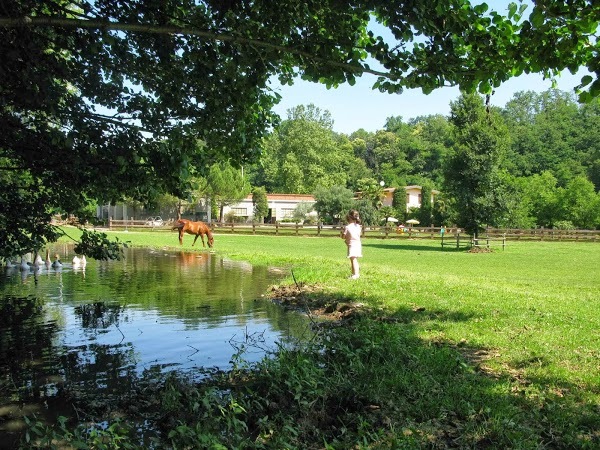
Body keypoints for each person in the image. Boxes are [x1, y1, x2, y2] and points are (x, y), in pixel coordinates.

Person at [341, 209, 362, 279]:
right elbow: (359, 235)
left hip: (351, 245)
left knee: (353, 259)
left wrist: (342, 233)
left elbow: (343, 237)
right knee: (354, 259)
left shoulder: (347, 227)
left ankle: (356, 274)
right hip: (358, 244)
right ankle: (354, 273)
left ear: (349, 217)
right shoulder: (358, 226)